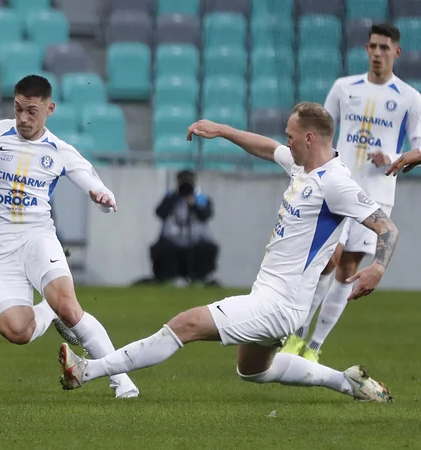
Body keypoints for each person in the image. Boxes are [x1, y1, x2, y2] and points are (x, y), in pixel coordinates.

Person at [57, 103, 397, 403]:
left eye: (291, 136)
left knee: (184, 324)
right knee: (252, 370)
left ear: (310, 138)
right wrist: (221, 130)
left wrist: (378, 268)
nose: (286, 141)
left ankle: (88, 370)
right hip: (269, 295)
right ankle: (346, 381)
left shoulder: (335, 183)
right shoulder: (302, 166)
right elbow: (267, 148)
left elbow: (387, 227)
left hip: (281, 304)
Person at [0, 75, 140, 398]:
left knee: (71, 308)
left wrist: (102, 196)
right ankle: (48, 311)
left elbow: (94, 185)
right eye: (18, 109)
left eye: (32, 111)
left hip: (37, 239)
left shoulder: (60, 151)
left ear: (50, 109)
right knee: (17, 330)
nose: (23, 119)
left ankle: (122, 382)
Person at [281, 23, 421, 362]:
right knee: (324, 262)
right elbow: (319, 132)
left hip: (375, 195)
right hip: (336, 184)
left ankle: (313, 347)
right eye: (373, 46)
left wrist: (397, 159)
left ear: (397, 52)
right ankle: (295, 338)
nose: (377, 53)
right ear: (366, 49)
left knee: (345, 269)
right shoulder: (344, 88)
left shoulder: (410, 98)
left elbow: (418, 149)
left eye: (384, 48)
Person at [150, 170, 219, 286]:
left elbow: (206, 215)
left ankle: (199, 279)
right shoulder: (170, 197)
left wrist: (193, 204)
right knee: (162, 249)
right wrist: (176, 196)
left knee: (207, 249)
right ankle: (168, 278)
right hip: (173, 241)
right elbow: (160, 213)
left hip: (197, 241)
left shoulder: (201, 198)